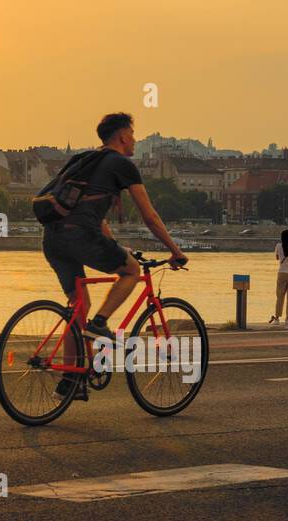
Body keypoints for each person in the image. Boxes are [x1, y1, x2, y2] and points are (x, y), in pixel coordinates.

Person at [42, 113, 188, 366]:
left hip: (52, 238)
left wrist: (116, 246)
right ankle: (100, 324)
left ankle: (69, 377)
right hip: (80, 236)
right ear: (122, 135)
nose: (134, 140)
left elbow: (96, 217)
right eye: (132, 134)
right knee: (131, 269)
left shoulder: (83, 160)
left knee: (79, 306)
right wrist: (175, 250)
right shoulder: (121, 165)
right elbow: (150, 216)